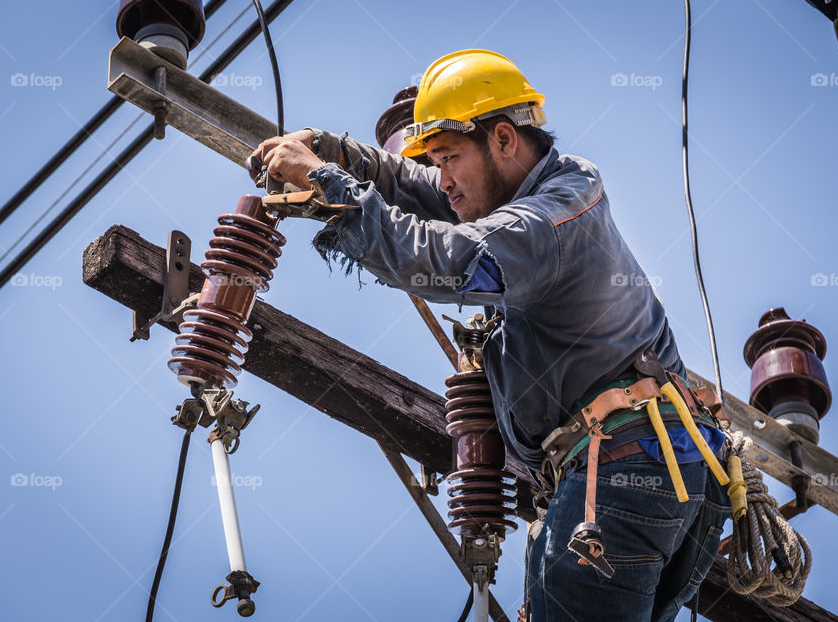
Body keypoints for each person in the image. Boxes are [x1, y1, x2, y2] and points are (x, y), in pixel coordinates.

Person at [249, 49, 731, 622]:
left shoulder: (547, 218)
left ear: (504, 139)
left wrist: (320, 179)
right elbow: (414, 184)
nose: (443, 179)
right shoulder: (523, 194)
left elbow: (446, 258)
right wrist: (332, 150)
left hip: (625, 471)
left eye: (450, 157)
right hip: (657, 471)